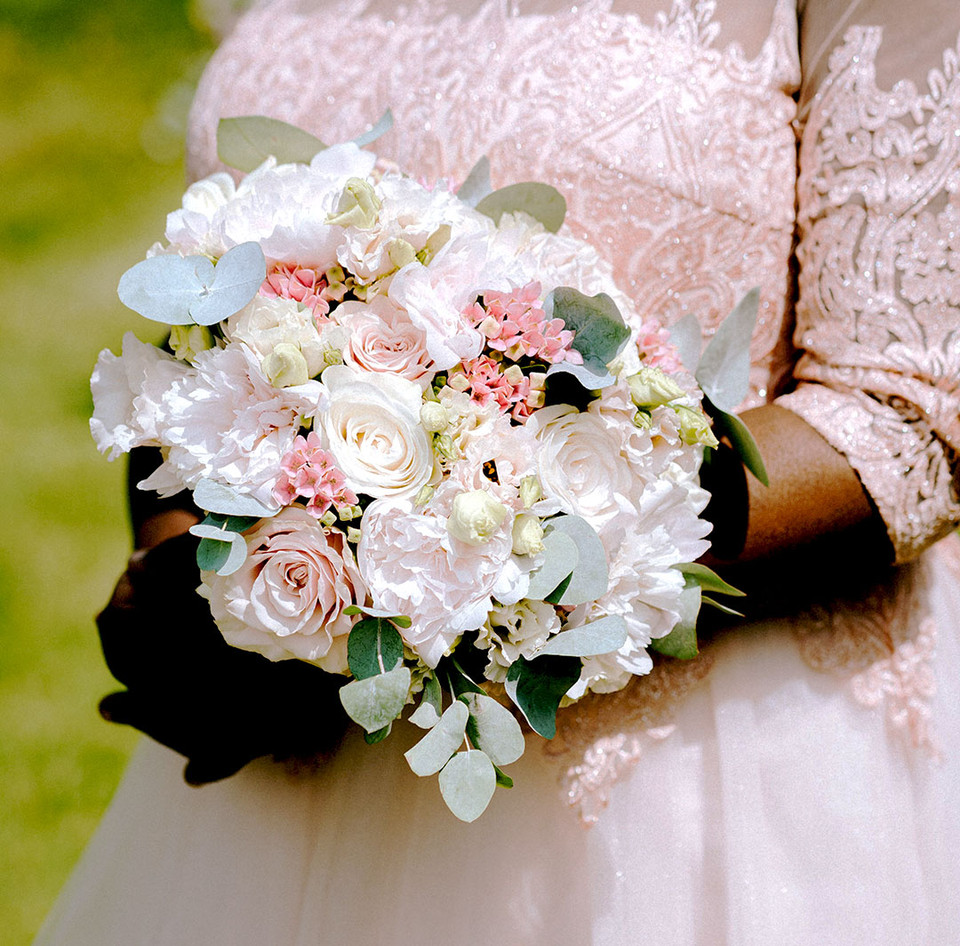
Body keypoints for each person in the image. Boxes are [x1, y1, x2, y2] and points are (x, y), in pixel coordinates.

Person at [36, 0, 960, 943]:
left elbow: (901, 417)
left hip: (672, 799)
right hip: (284, 761)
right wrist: (204, 578)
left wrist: (419, 579)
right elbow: (224, 290)